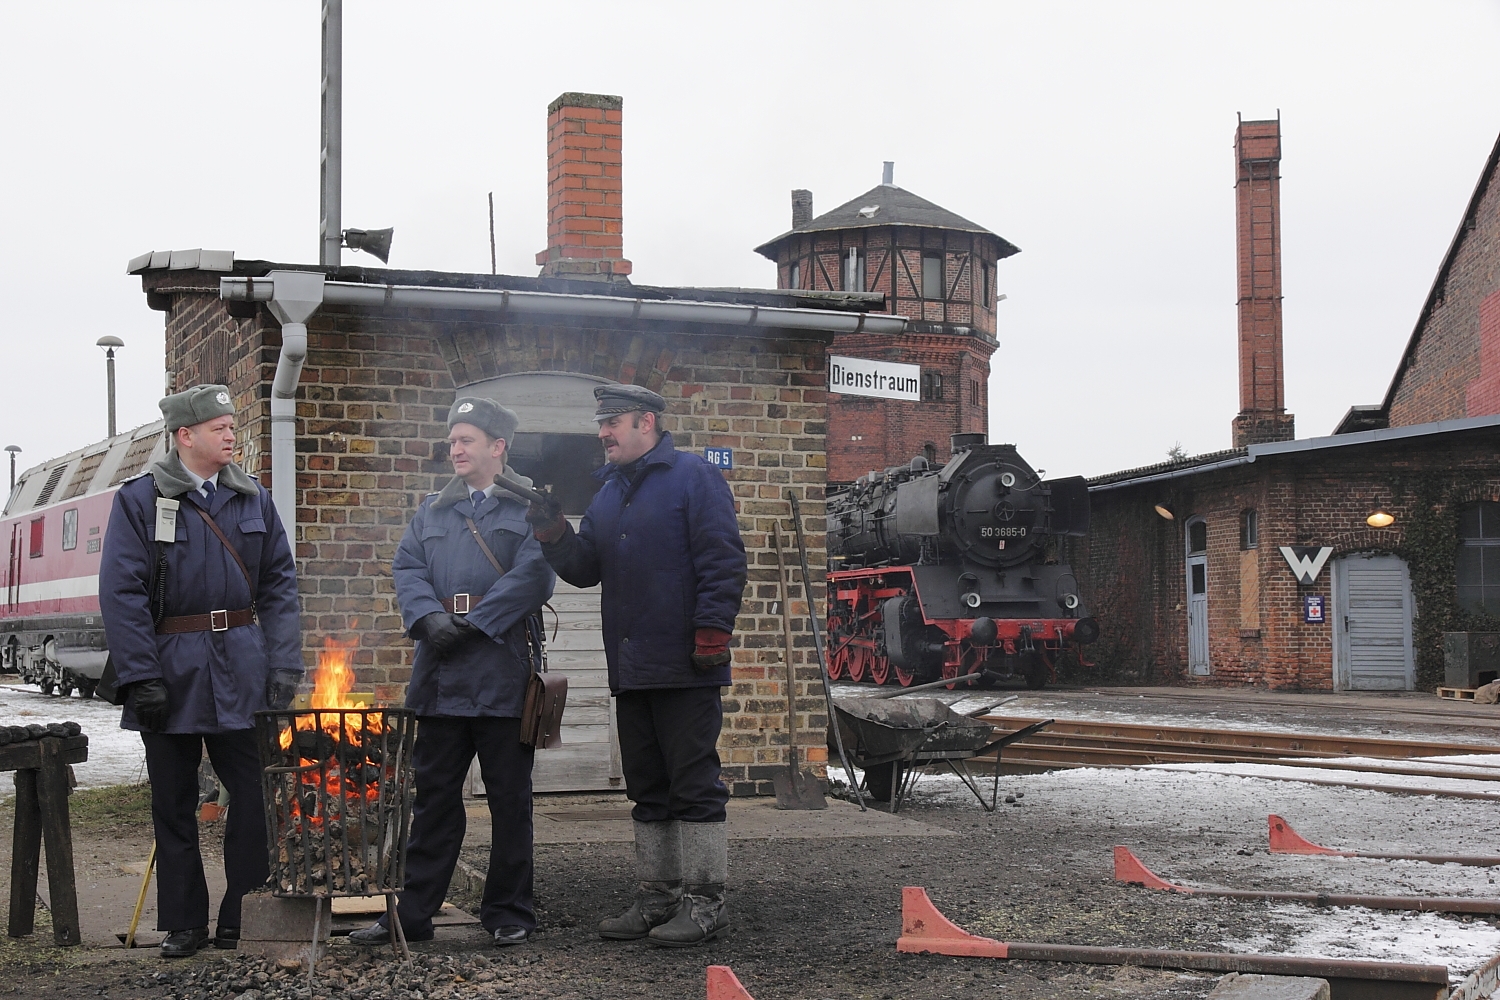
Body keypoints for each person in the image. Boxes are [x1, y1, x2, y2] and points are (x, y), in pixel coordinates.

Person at [526, 384, 746, 947]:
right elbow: (583, 569)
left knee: (693, 785)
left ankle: (705, 903)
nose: (603, 432)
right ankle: (658, 897)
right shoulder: (608, 495)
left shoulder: (694, 478)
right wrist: (553, 531)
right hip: (633, 667)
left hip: (686, 664)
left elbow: (722, 558)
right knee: (648, 787)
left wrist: (712, 634)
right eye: (600, 423)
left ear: (646, 422)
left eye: (612, 422)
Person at [99, 385, 302, 958]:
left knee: (254, 793)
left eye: (233, 425)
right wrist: (141, 676)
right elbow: (122, 592)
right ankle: (185, 922)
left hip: (242, 664)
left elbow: (280, 585)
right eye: (219, 427)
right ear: (185, 436)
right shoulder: (140, 500)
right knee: (174, 801)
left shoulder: (252, 499)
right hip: (172, 667)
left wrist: (285, 662)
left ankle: (242, 912)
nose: (231, 434)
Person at [350, 397, 556, 948]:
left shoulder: (528, 508)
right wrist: (427, 617)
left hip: (501, 672)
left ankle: (509, 912)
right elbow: (407, 564)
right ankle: (412, 915)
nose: (456, 449)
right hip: (439, 676)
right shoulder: (433, 510)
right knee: (434, 800)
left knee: (509, 801)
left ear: (498, 447)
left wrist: (477, 623)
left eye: (467, 440)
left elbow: (536, 576)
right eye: (452, 441)